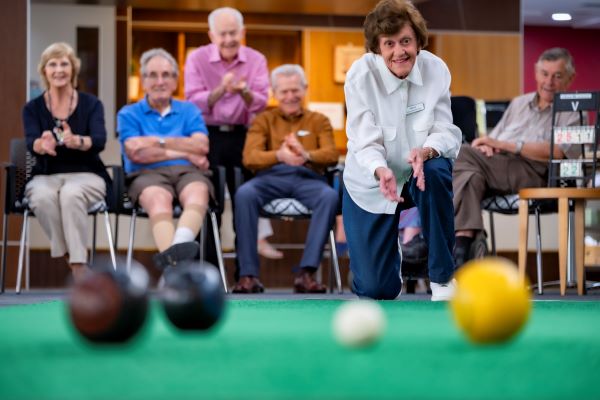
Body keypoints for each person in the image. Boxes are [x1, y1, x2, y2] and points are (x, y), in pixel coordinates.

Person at [343, 0, 462, 301]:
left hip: (419, 173)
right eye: (390, 44)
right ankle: (387, 254)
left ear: (419, 41)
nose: (400, 52)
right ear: (376, 48)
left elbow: (446, 130)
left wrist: (428, 151)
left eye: (406, 41)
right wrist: (379, 169)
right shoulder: (360, 76)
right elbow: (362, 139)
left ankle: (443, 279)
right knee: (375, 290)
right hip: (373, 182)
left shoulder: (436, 69)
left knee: (436, 171)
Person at [452, 47, 581, 267]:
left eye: (557, 76)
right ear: (535, 73)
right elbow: (494, 138)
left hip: (535, 172)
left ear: (570, 79)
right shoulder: (519, 103)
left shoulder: (573, 109)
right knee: (470, 176)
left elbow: (560, 151)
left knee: (460, 152)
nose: (549, 81)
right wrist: (489, 147)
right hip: (497, 167)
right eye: (544, 74)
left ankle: (445, 237)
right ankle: (464, 242)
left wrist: (503, 145)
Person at [184, 6, 281, 260]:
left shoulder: (256, 59)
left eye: (233, 33)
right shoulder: (197, 59)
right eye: (222, 34)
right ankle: (207, 271)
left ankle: (246, 274)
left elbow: (260, 101)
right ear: (211, 35)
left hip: (243, 136)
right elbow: (192, 101)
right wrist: (221, 89)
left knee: (244, 205)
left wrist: (243, 91)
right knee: (209, 203)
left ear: (243, 32)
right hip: (208, 136)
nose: (228, 39)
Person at [232, 64, 339, 293]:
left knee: (329, 196)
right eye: (284, 91)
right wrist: (279, 155)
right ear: (274, 92)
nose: (290, 96)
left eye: (295, 90)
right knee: (244, 193)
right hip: (271, 177)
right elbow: (249, 157)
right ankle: (248, 275)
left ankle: (307, 273)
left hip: (308, 178)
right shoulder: (263, 120)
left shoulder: (319, 120)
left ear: (305, 89)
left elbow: (331, 154)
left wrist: (306, 154)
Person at [117, 48, 214, 269]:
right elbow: (136, 152)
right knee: (158, 198)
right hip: (146, 174)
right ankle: (177, 267)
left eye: (166, 75)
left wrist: (153, 141)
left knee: (198, 191)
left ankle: (174, 256)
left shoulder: (189, 110)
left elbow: (202, 146)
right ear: (143, 81)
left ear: (175, 81)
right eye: (153, 75)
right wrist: (184, 150)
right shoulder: (128, 113)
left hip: (188, 172)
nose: (160, 81)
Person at [23, 42, 111, 282]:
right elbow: (31, 142)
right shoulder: (32, 108)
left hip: (87, 174)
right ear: (45, 71)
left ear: (73, 69)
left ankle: (79, 267)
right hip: (47, 174)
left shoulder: (92, 104)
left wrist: (77, 141)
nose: (59, 69)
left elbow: (100, 141)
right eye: (53, 64)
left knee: (71, 194)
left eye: (64, 64)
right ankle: (73, 258)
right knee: (40, 196)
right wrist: (42, 145)